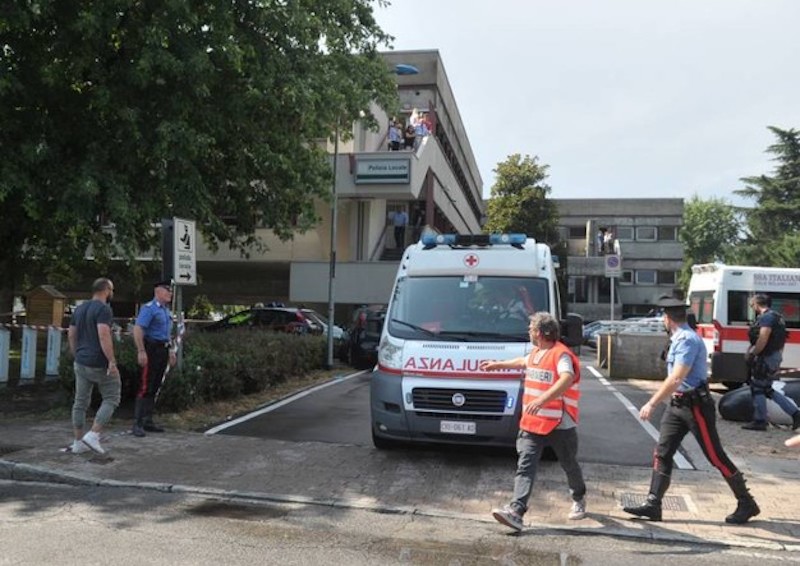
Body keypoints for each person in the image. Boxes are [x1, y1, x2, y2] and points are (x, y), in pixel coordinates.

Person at [623, 297, 760, 524]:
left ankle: (746, 502)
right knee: (662, 452)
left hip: (695, 406)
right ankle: (653, 504)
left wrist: (652, 403)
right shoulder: (677, 338)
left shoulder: (687, 339)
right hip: (677, 405)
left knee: (715, 456)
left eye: (663, 318)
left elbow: (677, 377)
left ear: (667, 318)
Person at [480, 313, 586, 532]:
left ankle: (578, 497)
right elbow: (523, 362)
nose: (528, 331)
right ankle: (516, 511)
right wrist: (498, 365)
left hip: (559, 422)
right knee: (525, 466)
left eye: (531, 328)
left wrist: (541, 400)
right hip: (534, 422)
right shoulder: (537, 352)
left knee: (568, 464)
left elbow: (566, 378)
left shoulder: (561, 355)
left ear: (539, 332)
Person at [67, 278, 120, 455]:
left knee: (80, 402)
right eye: (112, 290)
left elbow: (71, 334)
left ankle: (77, 442)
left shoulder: (80, 308)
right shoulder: (104, 309)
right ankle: (93, 434)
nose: (112, 293)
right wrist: (111, 360)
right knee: (112, 397)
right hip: (98, 361)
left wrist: (76, 354)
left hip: (81, 361)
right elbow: (103, 334)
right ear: (106, 290)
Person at [741, 293, 800, 431]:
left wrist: (753, 353)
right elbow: (782, 339)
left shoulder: (767, 318)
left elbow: (763, 337)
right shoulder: (778, 318)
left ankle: (760, 420)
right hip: (774, 355)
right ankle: (795, 414)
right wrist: (778, 358)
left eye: (752, 305)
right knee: (767, 389)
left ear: (757, 304)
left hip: (766, 356)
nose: (752, 307)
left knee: (757, 388)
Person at [132, 279, 176, 437]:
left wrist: (171, 351)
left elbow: (166, 334)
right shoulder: (149, 309)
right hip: (151, 349)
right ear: (158, 291)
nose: (170, 293)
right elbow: (138, 329)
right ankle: (137, 423)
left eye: (170, 290)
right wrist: (141, 351)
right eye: (167, 290)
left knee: (155, 385)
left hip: (162, 349)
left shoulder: (165, 310)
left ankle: (148, 420)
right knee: (145, 386)